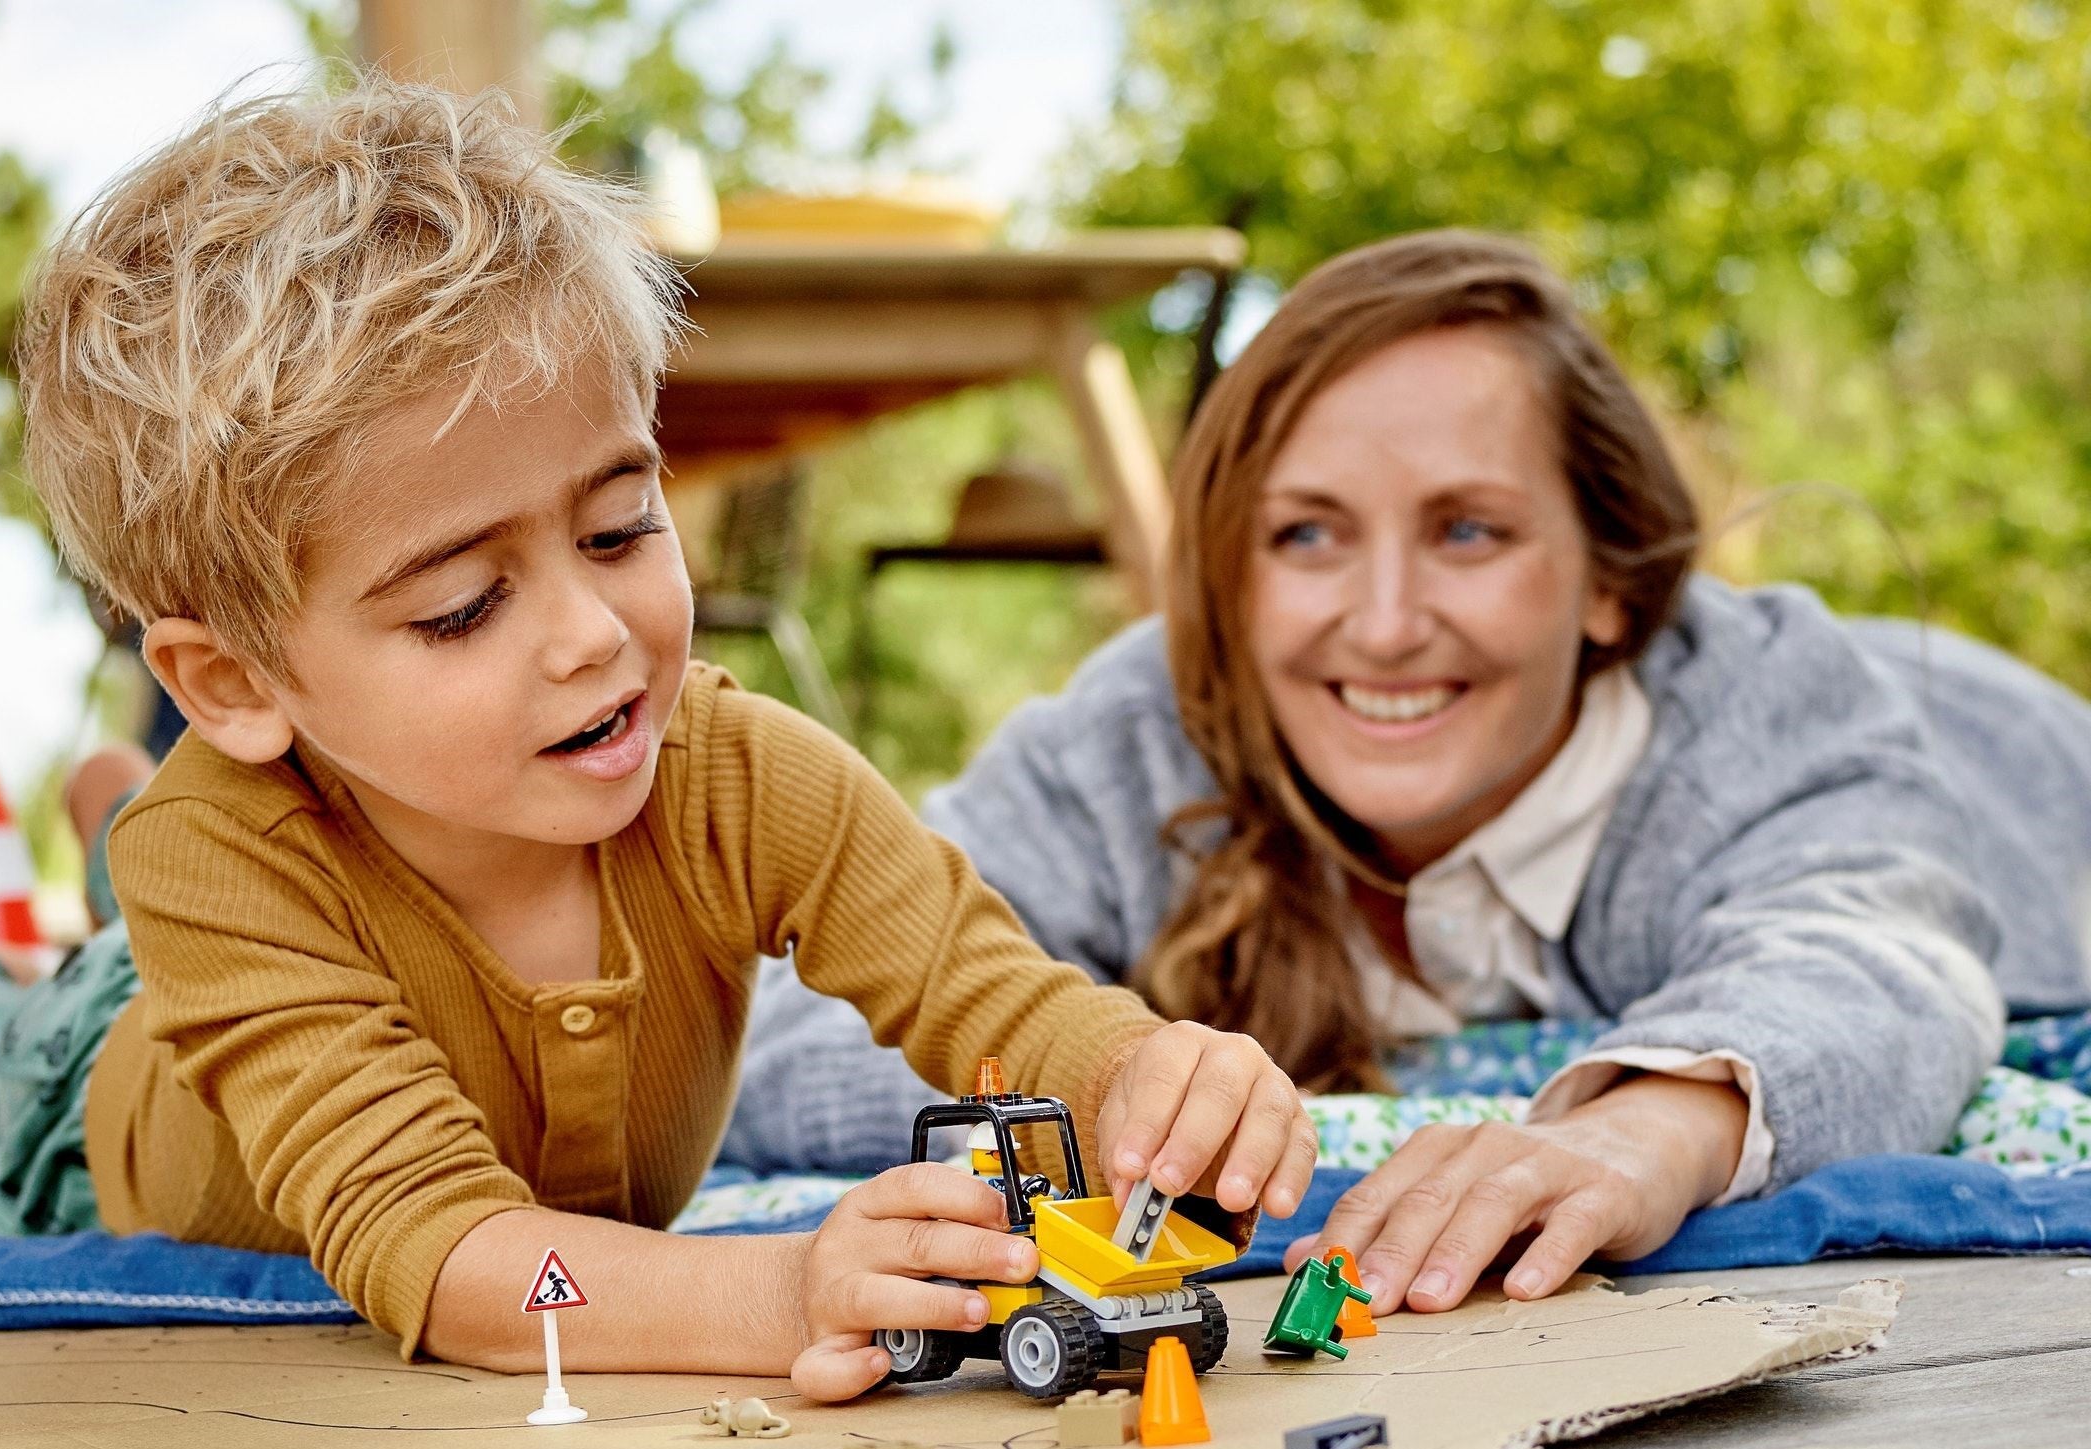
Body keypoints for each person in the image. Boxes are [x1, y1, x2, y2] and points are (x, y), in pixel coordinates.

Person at [0, 77, 1319, 1403]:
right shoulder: (222, 863)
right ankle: (27, 890)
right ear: (238, 681)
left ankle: (106, 828)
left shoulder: (742, 778)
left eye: (621, 526)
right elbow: (443, 1253)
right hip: (63, 1118)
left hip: (238, 898)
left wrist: (1146, 1079)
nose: (590, 634)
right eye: (460, 607)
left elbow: (995, 1000)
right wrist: (778, 1288)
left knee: (141, 889)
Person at [726, 229, 2091, 1317]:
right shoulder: (1137, 734)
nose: (1382, 623)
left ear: (1611, 578)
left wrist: (1638, 1139)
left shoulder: (1759, 703)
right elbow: (790, 1019)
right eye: (1309, 536)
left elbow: (1869, 949)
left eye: (1469, 532)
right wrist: (1109, 1068)